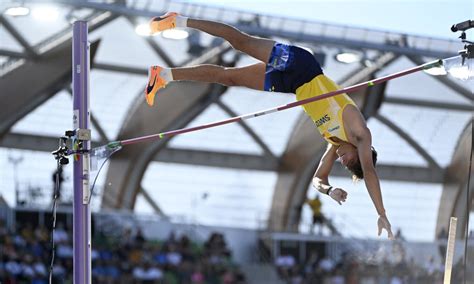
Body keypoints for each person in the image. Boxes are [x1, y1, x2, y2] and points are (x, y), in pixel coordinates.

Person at [145, 12, 393, 239]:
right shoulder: (358, 130)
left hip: (293, 85)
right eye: (349, 161)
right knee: (240, 42)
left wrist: (329, 191)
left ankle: (163, 76)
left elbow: (318, 178)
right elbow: (370, 172)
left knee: (228, 77)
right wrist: (381, 213)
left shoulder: (334, 141)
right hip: (302, 66)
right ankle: (177, 21)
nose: (342, 160)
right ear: (361, 151)